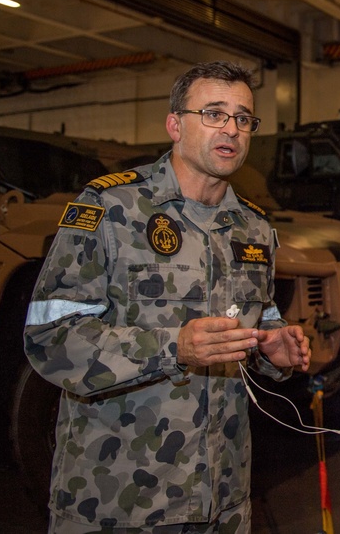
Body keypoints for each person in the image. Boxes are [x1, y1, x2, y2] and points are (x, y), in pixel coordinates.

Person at [24, 61, 311, 533]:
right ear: (175, 124)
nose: (232, 130)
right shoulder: (110, 207)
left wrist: (273, 346)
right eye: (214, 114)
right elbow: (51, 338)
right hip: (120, 501)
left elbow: (263, 314)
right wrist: (172, 348)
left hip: (223, 502)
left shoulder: (255, 226)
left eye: (243, 118)